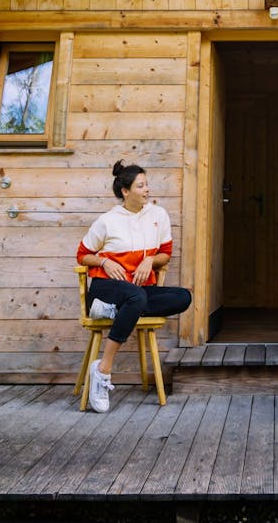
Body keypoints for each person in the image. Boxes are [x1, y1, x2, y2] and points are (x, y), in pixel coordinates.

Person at [76, 160, 192, 413]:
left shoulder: (158, 215)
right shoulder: (108, 220)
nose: (147, 190)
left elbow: (166, 254)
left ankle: (111, 311)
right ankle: (103, 369)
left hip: (137, 290)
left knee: (183, 297)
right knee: (136, 298)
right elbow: (83, 255)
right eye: (141, 186)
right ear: (125, 191)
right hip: (106, 287)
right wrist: (104, 262)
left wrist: (149, 260)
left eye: (147, 184)